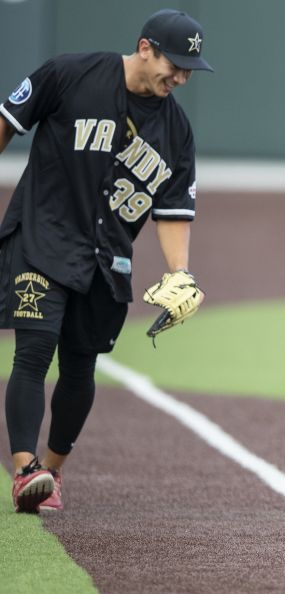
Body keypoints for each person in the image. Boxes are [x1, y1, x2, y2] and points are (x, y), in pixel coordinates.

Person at [1, 9, 213, 512]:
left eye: (189, 70)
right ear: (145, 49)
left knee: (80, 367)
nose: (181, 78)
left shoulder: (176, 131)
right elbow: (7, 122)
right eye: (175, 65)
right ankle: (25, 469)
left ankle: (52, 472)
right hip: (42, 237)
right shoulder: (69, 74)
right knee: (34, 351)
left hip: (107, 260)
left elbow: (173, 211)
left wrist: (180, 272)